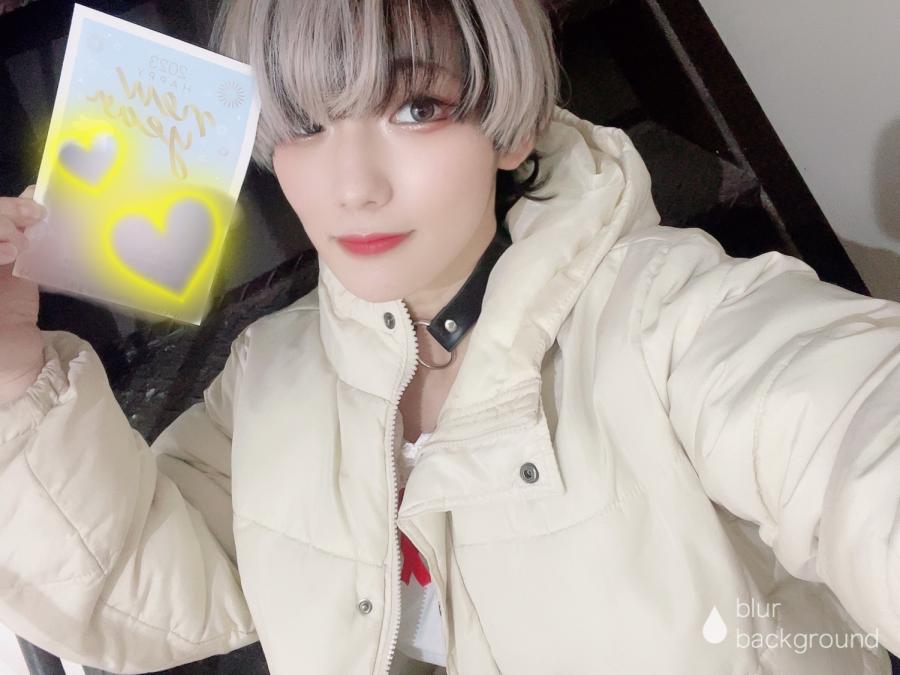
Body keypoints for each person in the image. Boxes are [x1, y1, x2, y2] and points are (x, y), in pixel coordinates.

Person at [0, 0, 898, 673]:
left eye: (415, 108)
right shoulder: (269, 375)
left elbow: (853, 427)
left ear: (509, 127)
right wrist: (12, 366)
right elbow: (145, 588)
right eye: (308, 124)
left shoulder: (667, 317)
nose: (352, 186)